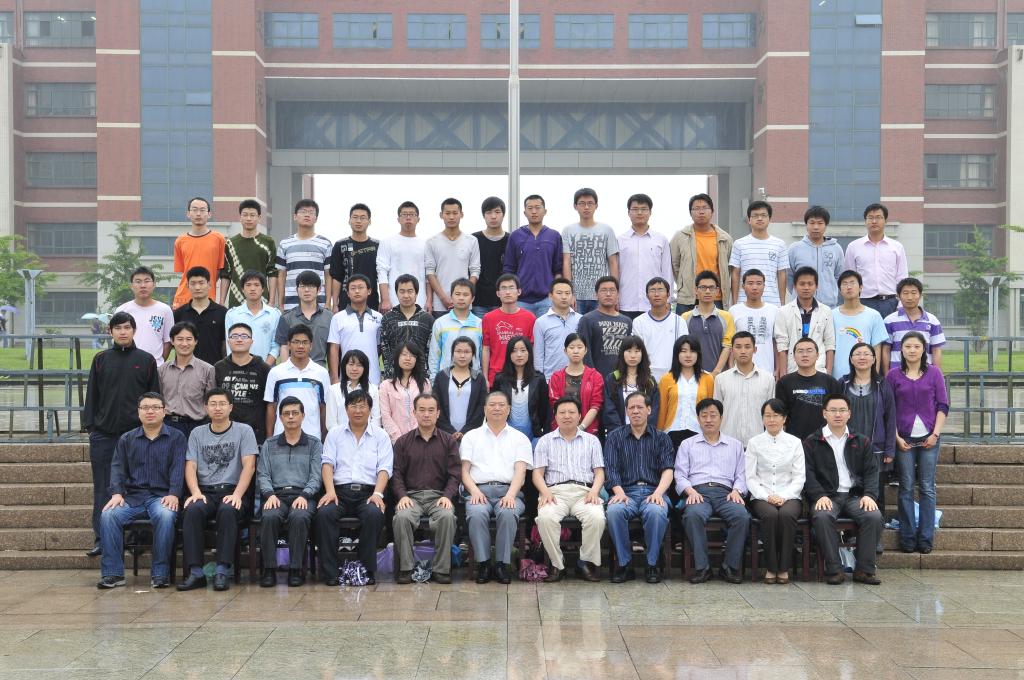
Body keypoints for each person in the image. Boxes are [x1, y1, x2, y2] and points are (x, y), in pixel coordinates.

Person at [82, 312, 160, 558]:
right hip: (104, 435)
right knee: (103, 487)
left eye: (127, 327)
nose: (123, 332)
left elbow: (154, 398)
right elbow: (92, 396)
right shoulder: (101, 359)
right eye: (118, 328)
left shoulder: (146, 360)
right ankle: (102, 538)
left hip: (137, 435)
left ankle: (138, 538)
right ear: (111, 332)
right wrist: (91, 427)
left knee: (138, 486)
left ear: (134, 330)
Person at [96, 392, 184, 589]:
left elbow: (178, 468)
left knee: (166, 516)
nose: (150, 411)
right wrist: (117, 493)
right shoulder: (127, 439)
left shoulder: (176, 437)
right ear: (138, 412)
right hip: (133, 497)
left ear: (164, 411)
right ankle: (113, 574)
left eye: (155, 407)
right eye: (145, 408)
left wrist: (174, 493)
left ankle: (160, 574)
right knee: (109, 515)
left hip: (162, 497)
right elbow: (117, 468)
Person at [178, 388, 257, 592]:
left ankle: (222, 571)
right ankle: (196, 573)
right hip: (205, 491)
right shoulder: (197, 433)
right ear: (206, 408)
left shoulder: (244, 431)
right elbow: (190, 466)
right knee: (192, 511)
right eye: (213, 404)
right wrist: (195, 492)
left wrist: (237, 495)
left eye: (222, 404)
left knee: (228, 510)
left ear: (231, 407)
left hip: (233, 490)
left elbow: (249, 465)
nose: (218, 408)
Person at [803, 393, 884, 585]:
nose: (837, 414)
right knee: (822, 516)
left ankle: (864, 570)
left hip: (855, 496)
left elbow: (872, 472)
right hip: (827, 497)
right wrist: (819, 495)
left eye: (842, 410)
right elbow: (807, 473)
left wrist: (869, 495)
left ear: (849, 413)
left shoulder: (861, 441)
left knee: (873, 516)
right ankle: (834, 569)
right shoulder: (812, 442)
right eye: (833, 410)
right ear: (824, 413)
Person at [316, 389, 392, 587]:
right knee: (324, 513)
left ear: (370, 410)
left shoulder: (381, 435)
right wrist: (330, 491)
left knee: (374, 514)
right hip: (339, 492)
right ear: (346, 409)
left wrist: (378, 493)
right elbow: (327, 463)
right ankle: (330, 572)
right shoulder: (335, 434)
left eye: (362, 406)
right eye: (353, 406)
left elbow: (385, 468)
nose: (358, 410)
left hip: (368, 492)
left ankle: (365, 570)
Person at [460, 390, 534, 584]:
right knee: (476, 513)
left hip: (510, 491)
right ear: (485, 409)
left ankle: (502, 564)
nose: (497, 408)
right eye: (492, 404)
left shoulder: (520, 438)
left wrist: (510, 495)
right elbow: (464, 471)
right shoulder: (471, 437)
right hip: (478, 490)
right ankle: (483, 563)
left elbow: (521, 472)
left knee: (508, 512)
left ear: (509, 409)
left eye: (501, 405)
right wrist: (474, 491)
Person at [886, 331, 949, 555]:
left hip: (929, 437)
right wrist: (896, 437)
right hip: (904, 438)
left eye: (916, 346)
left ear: (924, 350)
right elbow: (889, 410)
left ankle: (925, 538)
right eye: (908, 346)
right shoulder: (893, 375)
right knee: (905, 487)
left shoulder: (934, 373)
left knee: (927, 487)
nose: (912, 350)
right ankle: (907, 538)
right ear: (901, 350)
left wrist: (935, 434)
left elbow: (943, 405)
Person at [674, 398, 749, 584]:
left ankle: (729, 567)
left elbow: (742, 475)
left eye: (713, 415)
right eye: (704, 415)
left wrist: (737, 491)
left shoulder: (735, 445)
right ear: (698, 419)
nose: (708, 420)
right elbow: (680, 475)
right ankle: (703, 568)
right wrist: (690, 491)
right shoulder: (687, 444)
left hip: (726, 493)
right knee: (692, 516)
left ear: (721, 418)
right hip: (698, 493)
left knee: (741, 516)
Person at [533, 396, 606, 582]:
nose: (567, 416)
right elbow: (537, 474)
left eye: (572, 412)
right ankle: (558, 564)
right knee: (545, 518)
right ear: (555, 416)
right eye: (562, 412)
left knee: (597, 518)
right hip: (555, 493)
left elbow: (599, 473)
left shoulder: (592, 441)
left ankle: (584, 562)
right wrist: (545, 492)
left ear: (580, 415)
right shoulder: (545, 441)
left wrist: (594, 491)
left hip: (584, 492)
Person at [604, 392, 674, 584]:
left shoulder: (662, 438)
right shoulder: (615, 437)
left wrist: (658, 493)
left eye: (640, 407)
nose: (635, 411)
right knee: (614, 511)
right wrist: (619, 492)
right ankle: (624, 564)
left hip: (654, 491)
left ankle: (652, 564)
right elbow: (610, 468)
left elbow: (668, 470)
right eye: (631, 408)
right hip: (625, 492)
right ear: (626, 411)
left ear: (649, 410)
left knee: (656, 511)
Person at [391, 393, 461, 584]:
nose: (426, 414)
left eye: (431, 410)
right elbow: (396, 474)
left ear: (438, 413)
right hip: (411, 497)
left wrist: (447, 496)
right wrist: (402, 496)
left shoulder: (448, 441)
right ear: (414, 412)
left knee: (447, 517)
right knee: (402, 517)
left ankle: (441, 569)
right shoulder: (403, 442)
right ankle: (406, 568)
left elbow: (455, 474)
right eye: (421, 410)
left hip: (439, 497)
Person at [257, 396, 323, 588]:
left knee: (299, 516)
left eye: (295, 413)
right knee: (269, 516)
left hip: (304, 495)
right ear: (280, 418)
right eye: (286, 414)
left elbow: (316, 476)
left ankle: (296, 569)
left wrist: (305, 495)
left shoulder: (314, 444)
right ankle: (269, 569)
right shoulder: (269, 444)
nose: (291, 417)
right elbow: (263, 474)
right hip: (276, 496)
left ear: (303, 416)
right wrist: (269, 495)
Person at [840, 342, 897, 551]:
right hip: (847, 449)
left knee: (876, 495)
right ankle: (849, 537)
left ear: (874, 359)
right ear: (851, 359)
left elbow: (891, 418)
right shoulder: (843, 384)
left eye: (867, 354)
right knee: (849, 493)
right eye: (857, 354)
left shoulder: (883, 385)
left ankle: (875, 539)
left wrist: (890, 449)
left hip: (876, 449)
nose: (862, 357)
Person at [744, 399, 805, 584]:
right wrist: (766, 496)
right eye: (767, 416)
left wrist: (783, 496)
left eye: (776, 415)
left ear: (784, 418)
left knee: (786, 515)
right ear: (762, 418)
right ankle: (771, 567)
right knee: (770, 515)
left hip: (790, 495)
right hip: (761, 495)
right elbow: (750, 477)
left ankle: (784, 568)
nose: (771, 420)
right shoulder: (754, 443)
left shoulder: (795, 442)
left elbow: (799, 477)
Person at [264, 325, 330, 441]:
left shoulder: (321, 373)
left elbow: (324, 408)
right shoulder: (276, 372)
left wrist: (324, 438)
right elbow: (271, 407)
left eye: (305, 342)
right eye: (296, 342)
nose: (300, 346)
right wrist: (269, 439)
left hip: (312, 438)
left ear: (311, 345)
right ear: (289, 345)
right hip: (281, 438)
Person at [670, 193, 733, 313]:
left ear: (712, 211)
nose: (701, 212)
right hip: (688, 297)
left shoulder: (725, 238)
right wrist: (684, 283)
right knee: (685, 325)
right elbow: (674, 264)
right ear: (690, 213)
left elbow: (728, 268)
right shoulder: (680, 236)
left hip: (715, 297)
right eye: (696, 209)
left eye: (705, 208)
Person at [844, 203, 909, 319]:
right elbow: (849, 279)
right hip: (863, 303)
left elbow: (902, 278)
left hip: (890, 303)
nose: (874, 221)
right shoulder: (853, 247)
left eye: (878, 217)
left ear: (885, 221)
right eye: (870, 218)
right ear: (865, 221)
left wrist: (900, 305)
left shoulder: (896, 247)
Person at [504, 194, 564, 317]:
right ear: (524, 212)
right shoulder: (515, 236)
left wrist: (554, 293)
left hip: (546, 299)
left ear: (545, 211)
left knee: (547, 329)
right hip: (521, 300)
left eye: (537, 207)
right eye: (530, 208)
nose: (534, 211)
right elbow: (509, 268)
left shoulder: (554, 236)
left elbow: (558, 269)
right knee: (521, 330)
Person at [562, 188, 619, 314]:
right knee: (576, 326)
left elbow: (613, 262)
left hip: (601, 294)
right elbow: (566, 262)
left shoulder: (607, 230)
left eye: (590, 203)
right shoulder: (568, 231)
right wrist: (569, 292)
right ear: (575, 206)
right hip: (577, 296)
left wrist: (615, 293)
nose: (586, 207)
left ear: (596, 205)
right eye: (582, 203)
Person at [714, 331, 775, 446]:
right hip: (727, 443)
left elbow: (771, 414)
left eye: (747, 347)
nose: (743, 351)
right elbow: (717, 413)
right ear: (732, 350)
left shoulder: (768, 379)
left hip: (758, 444)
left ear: (755, 349)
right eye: (738, 347)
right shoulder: (721, 379)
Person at [618, 193, 673, 318]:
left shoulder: (661, 239)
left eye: (644, 209)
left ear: (650, 212)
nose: (639, 213)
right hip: (626, 303)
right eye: (635, 209)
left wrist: (668, 300)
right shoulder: (620, 240)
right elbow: (615, 272)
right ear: (628, 212)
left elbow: (667, 271)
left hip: (654, 304)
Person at [775, 337, 841, 441]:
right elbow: (780, 415)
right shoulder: (784, 383)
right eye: (800, 351)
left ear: (817, 355)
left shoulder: (830, 382)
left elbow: (837, 413)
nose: (805, 355)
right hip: (794, 441)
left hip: (824, 441)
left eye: (809, 351)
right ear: (794, 356)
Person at [215, 322, 270, 444]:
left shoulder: (264, 369)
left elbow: (269, 405)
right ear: (228, 341)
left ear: (251, 341)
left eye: (244, 336)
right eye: (234, 336)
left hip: (255, 433)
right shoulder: (218, 368)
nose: (239, 340)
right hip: (225, 433)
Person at [774, 266, 835, 377]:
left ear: (816, 286)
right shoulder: (783, 312)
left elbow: (830, 345)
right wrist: (783, 376)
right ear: (795, 286)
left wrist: (828, 375)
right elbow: (782, 346)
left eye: (810, 284)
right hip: (792, 370)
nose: (806, 287)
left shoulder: (826, 311)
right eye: (802, 284)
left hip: (819, 370)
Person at [158, 321, 216, 438]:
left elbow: (211, 401)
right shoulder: (162, 369)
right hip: (168, 424)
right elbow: (159, 398)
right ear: (172, 341)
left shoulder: (208, 369)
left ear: (195, 341)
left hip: (196, 426)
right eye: (180, 339)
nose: (184, 343)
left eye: (189, 339)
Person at [425, 197, 481, 317]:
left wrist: (466, 293)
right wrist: (443, 298)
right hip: (440, 304)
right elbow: (430, 272)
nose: (451, 217)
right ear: (441, 215)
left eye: (455, 213)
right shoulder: (432, 242)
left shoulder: (471, 241)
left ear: (461, 214)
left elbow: (475, 270)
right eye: (447, 213)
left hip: (464, 303)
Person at [657, 335, 715, 449]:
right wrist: (659, 434)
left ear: (698, 354)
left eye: (692, 351)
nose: (688, 355)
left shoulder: (707, 378)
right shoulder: (666, 379)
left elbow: (711, 409)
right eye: (683, 351)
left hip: (699, 433)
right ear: (677, 354)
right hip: (671, 433)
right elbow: (662, 409)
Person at [276, 198, 332, 311]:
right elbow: (281, 275)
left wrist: (328, 302)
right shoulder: (284, 244)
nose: (307, 215)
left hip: (319, 304)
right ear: (295, 216)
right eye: (303, 212)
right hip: (290, 304)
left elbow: (328, 275)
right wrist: (281, 304)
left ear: (316, 218)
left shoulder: (325, 244)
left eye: (311, 212)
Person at [327, 274, 383, 385]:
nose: (357, 291)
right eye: (353, 288)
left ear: (369, 291)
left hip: (373, 378)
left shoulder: (379, 317)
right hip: (346, 378)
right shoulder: (338, 318)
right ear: (348, 293)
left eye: (361, 287)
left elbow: (380, 347)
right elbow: (334, 349)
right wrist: (335, 378)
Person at [220, 199, 278, 308]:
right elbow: (225, 274)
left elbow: (272, 273)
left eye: (252, 215)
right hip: (236, 301)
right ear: (240, 217)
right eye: (245, 215)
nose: (248, 218)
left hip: (262, 301)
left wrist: (271, 301)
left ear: (259, 218)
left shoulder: (268, 242)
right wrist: (222, 302)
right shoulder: (230, 244)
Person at [729, 200, 788, 306]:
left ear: (769, 219)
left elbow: (781, 275)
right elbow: (735, 274)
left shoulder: (780, 244)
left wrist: (782, 304)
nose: (760, 218)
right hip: (744, 302)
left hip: (772, 303)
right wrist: (735, 303)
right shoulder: (739, 244)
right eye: (755, 215)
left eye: (763, 215)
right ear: (749, 220)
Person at [832, 270, 888, 378]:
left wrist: (874, 376)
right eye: (845, 284)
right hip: (837, 377)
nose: (849, 287)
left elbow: (877, 348)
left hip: (865, 376)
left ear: (861, 287)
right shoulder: (831, 315)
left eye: (852, 283)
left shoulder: (874, 315)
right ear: (840, 290)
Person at [493, 336, 549, 443]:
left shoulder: (539, 379)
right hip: (505, 433)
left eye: (523, 350)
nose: (519, 355)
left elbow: (544, 410)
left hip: (533, 433)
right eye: (514, 351)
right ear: (509, 354)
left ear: (529, 353)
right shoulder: (500, 379)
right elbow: (494, 407)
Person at [482, 273, 536, 385]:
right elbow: (486, 348)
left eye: (511, 288)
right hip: (496, 374)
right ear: (498, 293)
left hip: (522, 376)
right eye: (503, 288)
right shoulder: (488, 318)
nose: (507, 292)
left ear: (519, 291)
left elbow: (532, 348)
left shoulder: (530, 318)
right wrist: (485, 378)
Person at [882, 277, 946, 371]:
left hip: (925, 374)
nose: (910, 297)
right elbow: (886, 349)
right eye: (905, 293)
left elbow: (936, 350)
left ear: (920, 295)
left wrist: (937, 376)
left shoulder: (932, 321)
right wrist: (887, 375)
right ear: (898, 296)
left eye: (914, 293)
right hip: (897, 374)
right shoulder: (889, 320)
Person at [173, 197, 225, 309]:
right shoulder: (180, 241)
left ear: (209, 214)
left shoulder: (219, 239)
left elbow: (220, 270)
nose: (198, 214)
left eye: (202, 210)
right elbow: (183, 273)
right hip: (183, 299)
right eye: (194, 210)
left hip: (208, 299)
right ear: (188, 214)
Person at [379, 274, 434, 380]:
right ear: (396, 293)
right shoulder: (388, 319)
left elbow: (430, 350)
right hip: (394, 375)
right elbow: (385, 348)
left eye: (410, 291)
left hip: (420, 375)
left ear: (416, 293)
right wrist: (389, 372)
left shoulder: (427, 319)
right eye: (402, 291)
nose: (406, 295)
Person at [547, 333, 604, 436]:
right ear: (565, 351)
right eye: (572, 347)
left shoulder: (595, 376)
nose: (576, 351)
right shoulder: (556, 377)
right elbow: (555, 405)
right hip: (561, 432)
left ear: (585, 350)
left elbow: (595, 405)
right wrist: (567, 428)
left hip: (588, 432)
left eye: (580, 347)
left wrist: (581, 428)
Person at [377, 201, 429, 312]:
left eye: (412, 214)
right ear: (398, 219)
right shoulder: (387, 242)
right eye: (404, 214)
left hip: (420, 301)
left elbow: (429, 274)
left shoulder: (426, 244)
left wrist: (429, 300)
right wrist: (385, 299)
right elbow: (382, 272)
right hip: (393, 302)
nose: (408, 217)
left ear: (418, 219)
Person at [116, 266, 173, 366]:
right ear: (131, 286)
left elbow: (168, 342)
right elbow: (117, 340)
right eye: (138, 281)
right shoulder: (122, 310)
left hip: (155, 367)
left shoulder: (165, 310)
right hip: (127, 366)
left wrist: (157, 363)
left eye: (147, 281)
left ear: (154, 284)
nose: (143, 285)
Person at [787, 205, 844, 308]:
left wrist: (830, 292)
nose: (816, 227)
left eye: (820, 223)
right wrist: (798, 293)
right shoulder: (795, 248)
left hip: (828, 306)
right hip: (800, 306)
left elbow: (839, 276)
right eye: (812, 223)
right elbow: (789, 276)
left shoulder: (836, 248)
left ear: (826, 225)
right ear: (806, 225)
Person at [328, 203, 380, 312]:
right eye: (355, 217)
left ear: (369, 221)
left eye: (363, 218)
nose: (358, 221)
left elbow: (382, 276)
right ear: (349, 220)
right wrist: (335, 304)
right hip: (345, 301)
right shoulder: (340, 245)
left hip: (371, 300)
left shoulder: (377, 246)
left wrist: (384, 300)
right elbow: (336, 277)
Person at [577, 275, 633, 376]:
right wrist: (592, 377)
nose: (608, 294)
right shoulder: (587, 320)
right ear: (596, 295)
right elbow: (584, 353)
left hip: (622, 377)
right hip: (596, 378)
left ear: (618, 294)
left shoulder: (627, 321)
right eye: (603, 290)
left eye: (612, 290)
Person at [681, 270, 735, 376]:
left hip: (720, 376)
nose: (707, 291)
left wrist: (715, 373)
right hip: (692, 376)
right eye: (703, 287)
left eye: (711, 288)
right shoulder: (685, 317)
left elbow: (727, 346)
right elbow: (683, 348)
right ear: (696, 290)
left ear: (717, 291)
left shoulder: (727, 317)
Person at [427, 278, 483, 380]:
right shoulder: (440, 323)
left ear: (472, 299)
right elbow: (434, 354)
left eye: (465, 295)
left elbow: (482, 355)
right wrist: (433, 380)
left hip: (473, 380)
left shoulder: (480, 324)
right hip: (445, 380)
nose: (461, 298)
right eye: (457, 294)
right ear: (451, 297)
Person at [632, 277, 684, 383]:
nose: (656, 294)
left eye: (660, 290)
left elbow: (683, 349)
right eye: (652, 290)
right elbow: (637, 350)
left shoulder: (679, 321)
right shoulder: (639, 321)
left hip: (673, 376)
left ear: (668, 294)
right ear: (647, 296)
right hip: (646, 377)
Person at [275, 270, 331, 369]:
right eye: (302, 286)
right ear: (297, 290)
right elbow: (284, 347)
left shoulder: (329, 317)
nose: (307, 290)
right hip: (293, 371)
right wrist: (285, 372)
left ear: (319, 289)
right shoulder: (286, 318)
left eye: (311, 286)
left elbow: (332, 348)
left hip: (319, 370)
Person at [602, 335, 660, 432]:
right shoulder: (612, 379)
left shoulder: (650, 381)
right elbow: (609, 409)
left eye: (637, 351)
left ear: (642, 354)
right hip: (619, 434)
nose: (633, 355)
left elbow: (653, 410)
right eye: (629, 351)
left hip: (644, 434)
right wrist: (620, 433)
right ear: (622, 353)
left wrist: (644, 431)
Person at [433, 337, 487, 440]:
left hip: (471, 435)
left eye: (467, 352)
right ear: (452, 353)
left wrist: (465, 432)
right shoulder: (442, 376)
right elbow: (436, 405)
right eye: (458, 351)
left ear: (473, 354)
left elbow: (481, 408)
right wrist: (450, 431)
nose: (462, 355)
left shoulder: (479, 378)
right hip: (444, 434)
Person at [224, 271, 281, 367]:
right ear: (242, 289)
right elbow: (230, 344)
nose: (252, 288)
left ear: (263, 289)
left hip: (267, 369)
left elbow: (276, 345)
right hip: (239, 368)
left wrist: (264, 367)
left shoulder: (274, 314)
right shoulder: (232, 314)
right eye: (248, 285)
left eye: (256, 285)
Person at [173, 266, 227, 366]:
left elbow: (225, 344)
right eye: (193, 283)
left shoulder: (222, 313)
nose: (197, 287)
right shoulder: (179, 313)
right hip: (185, 368)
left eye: (201, 283)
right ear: (187, 286)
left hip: (214, 368)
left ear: (209, 285)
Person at [728, 269, 779, 376]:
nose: (755, 287)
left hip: (767, 371)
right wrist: (731, 367)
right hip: (740, 372)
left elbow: (776, 342)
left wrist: (777, 368)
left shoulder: (774, 310)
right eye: (750, 283)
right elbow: (730, 343)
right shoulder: (734, 311)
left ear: (764, 286)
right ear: (743, 286)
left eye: (759, 283)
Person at [379, 341, 431, 443]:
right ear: (397, 357)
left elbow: (427, 411)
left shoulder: (425, 383)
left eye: (412, 355)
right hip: (396, 440)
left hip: (421, 439)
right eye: (404, 354)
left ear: (416, 359)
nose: (408, 358)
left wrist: (418, 435)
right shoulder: (386, 385)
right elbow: (385, 416)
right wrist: (398, 439)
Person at [532, 277, 580, 378]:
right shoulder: (541, 322)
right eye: (559, 293)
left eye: (567, 293)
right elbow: (538, 355)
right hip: (550, 378)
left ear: (572, 296)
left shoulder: (581, 320)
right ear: (550, 296)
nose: (564, 297)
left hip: (577, 377)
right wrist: (539, 379)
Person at [472, 196, 509, 317]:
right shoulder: (474, 239)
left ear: (503, 214)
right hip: (478, 302)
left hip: (503, 302)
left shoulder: (511, 240)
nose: (493, 216)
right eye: (489, 212)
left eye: (497, 212)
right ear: (483, 215)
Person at [325, 349, 381, 430]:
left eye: (359, 365)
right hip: (340, 436)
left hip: (368, 436)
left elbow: (376, 419)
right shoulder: (333, 390)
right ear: (344, 366)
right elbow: (331, 423)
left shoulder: (373, 389)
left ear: (365, 368)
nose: (354, 369)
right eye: (351, 364)